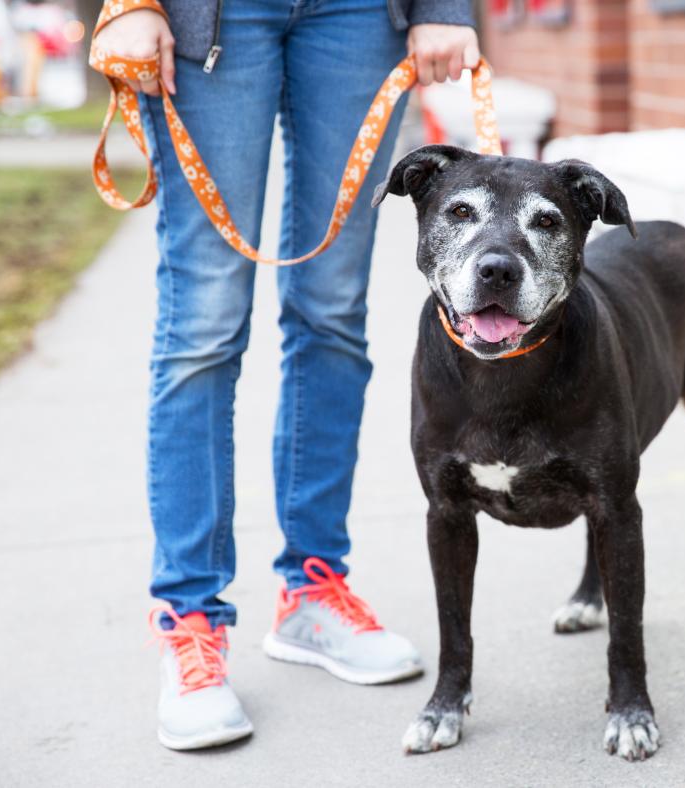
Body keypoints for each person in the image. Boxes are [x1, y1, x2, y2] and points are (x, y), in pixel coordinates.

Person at [93, 0, 480, 751]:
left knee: (333, 313)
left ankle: (312, 587)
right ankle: (190, 619)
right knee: (202, 326)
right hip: (213, 16)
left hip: (360, 15)